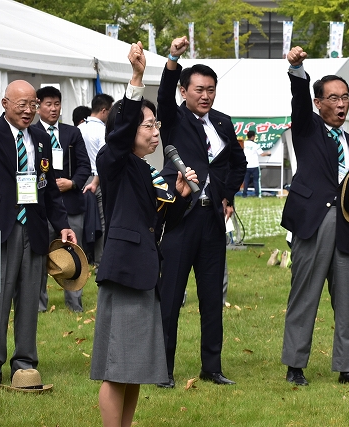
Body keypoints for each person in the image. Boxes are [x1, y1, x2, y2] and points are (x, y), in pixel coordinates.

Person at [90, 41, 197, 426]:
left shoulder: (142, 169)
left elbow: (159, 222)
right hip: (125, 271)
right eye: (148, 125)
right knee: (117, 366)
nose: (155, 132)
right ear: (127, 128)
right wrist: (137, 78)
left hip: (146, 271)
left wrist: (181, 197)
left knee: (134, 368)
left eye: (156, 125)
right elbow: (117, 136)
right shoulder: (114, 160)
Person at [0, 49, 76, 388]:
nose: (29, 111)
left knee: (30, 299)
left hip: (33, 226)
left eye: (33, 105)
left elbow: (49, 191)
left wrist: (63, 225)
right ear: (4, 104)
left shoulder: (42, 138)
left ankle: (25, 363)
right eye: (22, 105)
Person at [281, 46, 349, 387]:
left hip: (347, 227)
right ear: (319, 103)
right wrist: (297, 69)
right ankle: (295, 365)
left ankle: (346, 367)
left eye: (345, 97)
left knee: (347, 301)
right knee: (304, 296)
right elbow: (297, 99)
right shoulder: (307, 128)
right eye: (333, 98)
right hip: (312, 223)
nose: (341, 103)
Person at [157, 36, 247, 387]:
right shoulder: (174, 118)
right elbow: (163, 98)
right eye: (199, 89)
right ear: (184, 91)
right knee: (171, 299)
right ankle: (162, 369)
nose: (206, 95)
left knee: (212, 299)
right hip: (181, 218)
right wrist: (172, 59)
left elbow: (237, 164)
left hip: (213, 221)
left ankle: (212, 367)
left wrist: (227, 195)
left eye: (211, 89)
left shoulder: (223, 123)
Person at [34, 86, 91, 312]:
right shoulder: (31, 132)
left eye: (57, 104)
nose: (53, 109)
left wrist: (73, 183)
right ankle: (38, 305)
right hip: (41, 206)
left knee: (73, 254)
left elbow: (85, 165)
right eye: (48, 104)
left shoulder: (71, 133)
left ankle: (74, 304)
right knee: (39, 256)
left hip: (70, 204)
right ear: (38, 107)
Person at [80, 92, 114, 267]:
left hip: (79, 179)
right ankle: (100, 260)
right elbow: (104, 158)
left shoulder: (79, 128)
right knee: (102, 221)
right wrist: (96, 182)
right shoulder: (102, 130)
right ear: (104, 110)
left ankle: (82, 258)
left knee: (82, 221)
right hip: (97, 179)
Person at [242, 130, 270, 197]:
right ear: (253, 137)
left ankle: (244, 194)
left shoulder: (243, 144)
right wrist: (268, 153)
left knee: (246, 181)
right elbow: (262, 154)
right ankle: (258, 195)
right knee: (256, 181)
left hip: (246, 165)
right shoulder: (255, 145)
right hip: (254, 165)